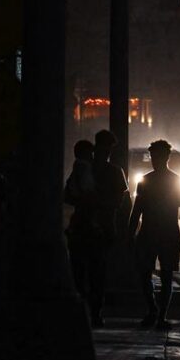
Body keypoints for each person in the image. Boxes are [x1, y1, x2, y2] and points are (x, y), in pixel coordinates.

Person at [129, 139, 180, 329]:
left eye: (156, 155)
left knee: (153, 275)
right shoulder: (174, 181)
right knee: (160, 276)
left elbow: (137, 211)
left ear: (164, 157)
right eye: (153, 156)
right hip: (166, 233)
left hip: (153, 233)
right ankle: (158, 314)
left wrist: (130, 234)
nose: (154, 159)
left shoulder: (147, 181)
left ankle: (156, 313)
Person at [64, 139, 107, 326]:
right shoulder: (84, 170)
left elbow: (68, 195)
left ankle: (83, 312)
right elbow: (89, 195)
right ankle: (93, 313)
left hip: (80, 228)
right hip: (88, 228)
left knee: (80, 273)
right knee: (94, 273)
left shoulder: (76, 171)